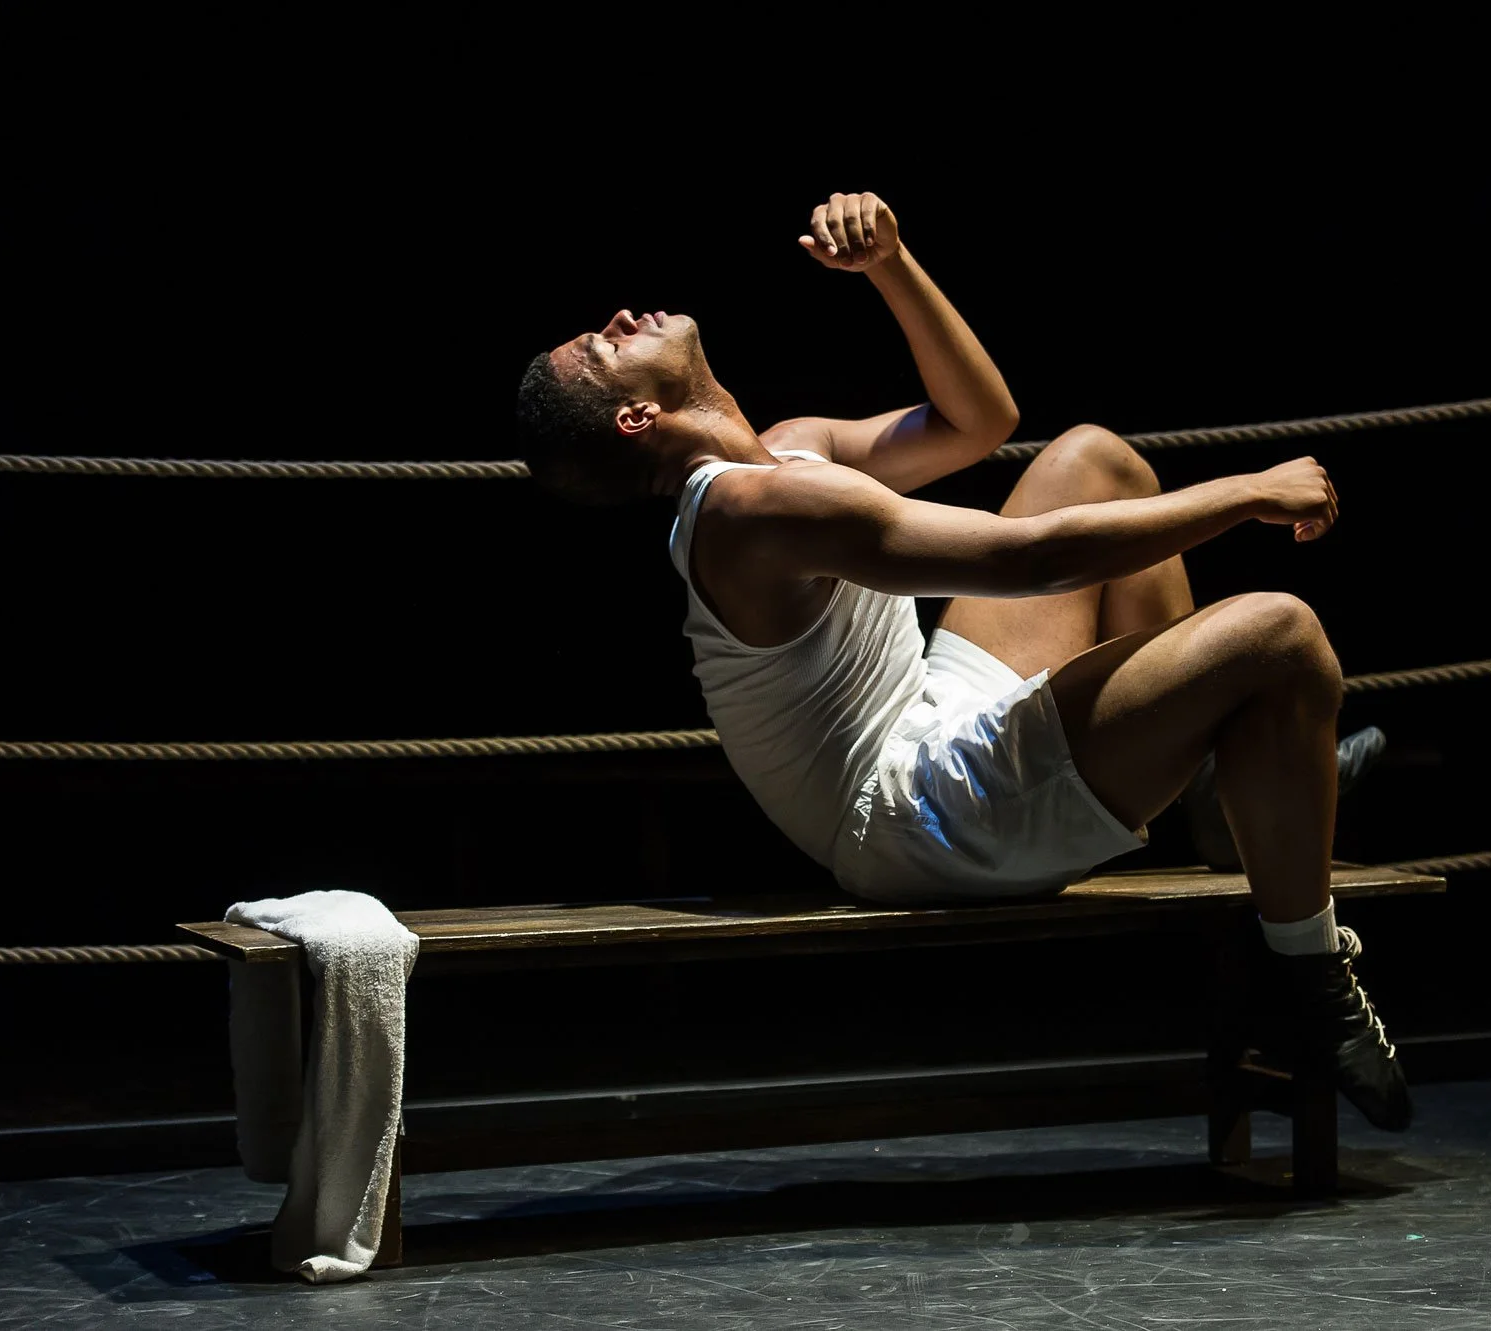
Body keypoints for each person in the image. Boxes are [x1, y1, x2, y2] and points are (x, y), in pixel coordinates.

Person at [517, 193, 1409, 1130]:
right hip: (915, 814)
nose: (620, 320)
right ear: (637, 419)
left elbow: (980, 421)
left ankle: (1212, 796)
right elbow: (1027, 560)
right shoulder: (744, 515)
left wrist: (890, 267)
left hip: (931, 718)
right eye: (605, 348)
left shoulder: (789, 450)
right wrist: (1248, 491)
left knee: (1092, 457)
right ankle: (1311, 977)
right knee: (1281, 631)